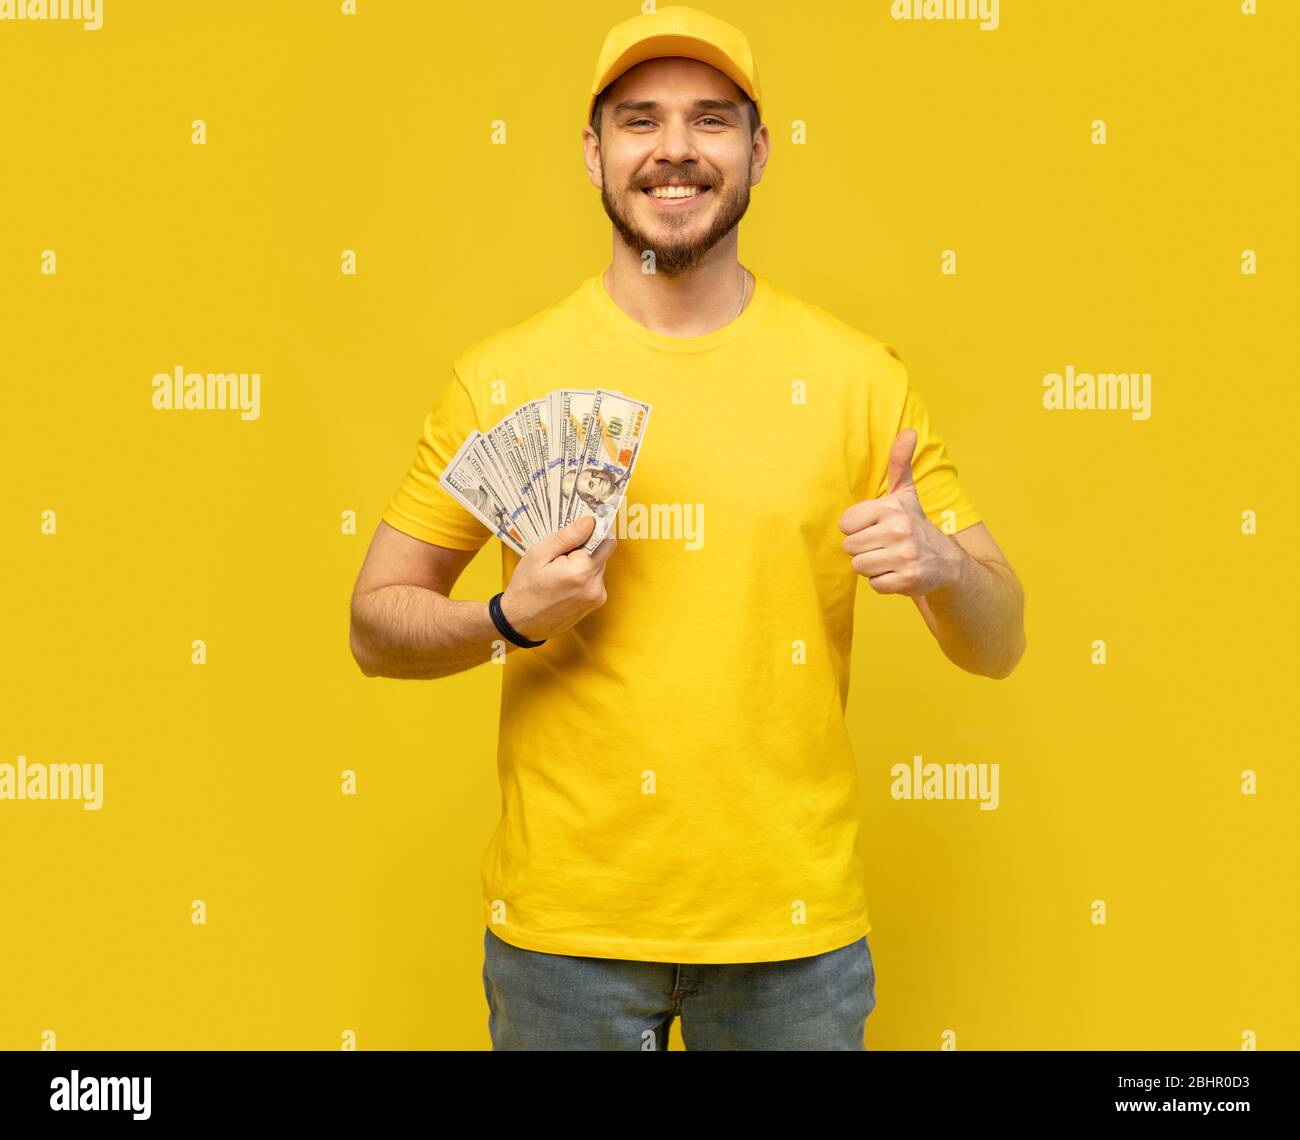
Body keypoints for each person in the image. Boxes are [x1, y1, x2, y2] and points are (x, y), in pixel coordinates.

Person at [349, 5, 1026, 1050]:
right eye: (638, 120)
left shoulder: (857, 381)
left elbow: (1000, 641)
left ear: (758, 151)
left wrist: (940, 566)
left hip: (793, 943)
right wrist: (506, 618)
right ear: (593, 152)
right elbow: (374, 627)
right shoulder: (501, 379)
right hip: (562, 937)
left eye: (710, 121)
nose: (674, 149)